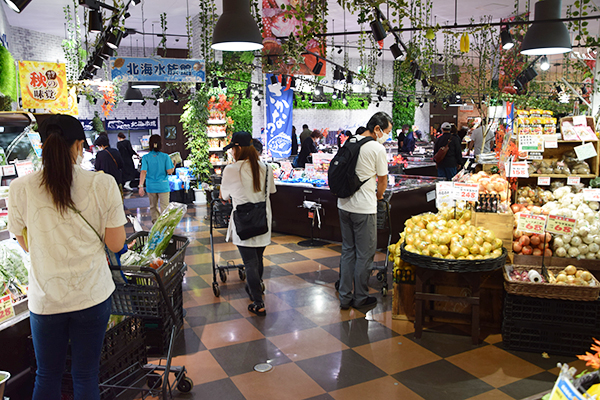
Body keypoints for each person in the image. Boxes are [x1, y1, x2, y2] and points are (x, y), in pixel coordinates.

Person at [8, 114, 127, 400]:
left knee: (47, 375)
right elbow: (115, 243)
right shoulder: (102, 184)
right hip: (92, 294)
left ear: (43, 145)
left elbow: (25, 243)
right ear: (80, 145)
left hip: (46, 297)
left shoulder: (20, 188)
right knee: (85, 375)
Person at [337, 111, 391, 310]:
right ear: (377, 129)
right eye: (386, 131)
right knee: (365, 254)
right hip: (364, 209)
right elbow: (383, 180)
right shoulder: (376, 148)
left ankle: (344, 297)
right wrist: (378, 197)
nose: (387, 136)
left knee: (347, 251)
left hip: (343, 205)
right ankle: (360, 297)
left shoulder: (350, 141)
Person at [220, 131, 276, 316]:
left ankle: (258, 302)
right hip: (262, 219)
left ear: (238, 148)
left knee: (250, 262)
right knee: (257, 259)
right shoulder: (266, 167)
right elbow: (271, 191)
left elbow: (224, 197)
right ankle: (254, 289)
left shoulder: (231, 169)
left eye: (233, 149)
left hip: (244, 221)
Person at [139, 135, 175, 223]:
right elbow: (169, 171)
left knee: (153, 207)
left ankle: (156, 224)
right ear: (160, 144)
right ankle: (164, 225)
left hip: (151, 186)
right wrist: (174, 165)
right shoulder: (165, 156)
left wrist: (140, 186)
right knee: (165, 207)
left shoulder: (145, 157)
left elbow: (143, 171)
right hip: (163, 186)